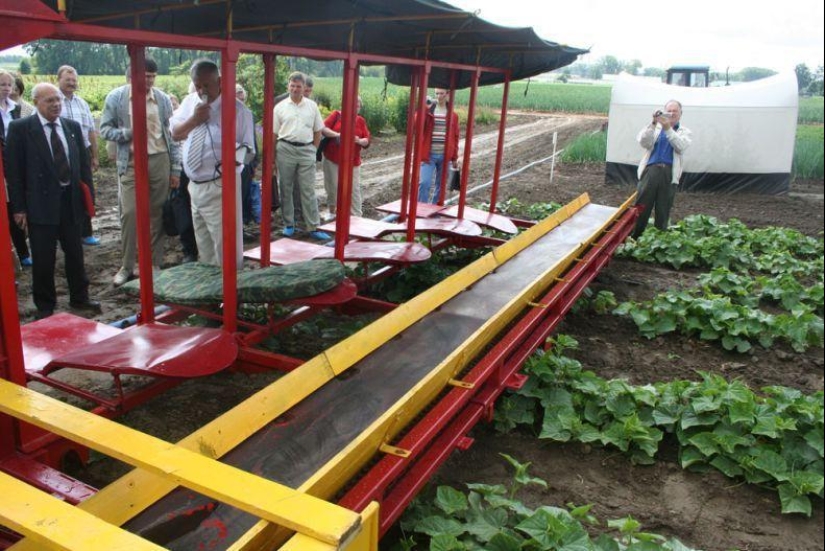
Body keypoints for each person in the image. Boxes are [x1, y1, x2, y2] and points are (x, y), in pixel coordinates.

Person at [6, 82, 101, 319]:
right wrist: (19, 208)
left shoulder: (71, 127)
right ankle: (45, 307)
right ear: (36, 102)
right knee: (44, 258)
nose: (56, 104)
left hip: (70, 201)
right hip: (40, 203)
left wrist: (88, 197)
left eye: (58, 100)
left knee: (75, 253)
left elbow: (82, 167)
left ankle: (80, 298)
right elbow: (14, 173)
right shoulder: (21, 129)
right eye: (49, 101)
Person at [100, 59, 181, 286]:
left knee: (157, 214)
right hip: (132, 162)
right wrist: (127, 133)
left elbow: (170, 135)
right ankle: (127, 266)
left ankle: (154, 264)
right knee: (130, 213)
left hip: (159, 159)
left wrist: (175, 168)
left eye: (152, 76)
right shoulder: (117, 98)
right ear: (131, 76)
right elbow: (105, 129)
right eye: (144, 75)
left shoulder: (162, 99)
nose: (148, 80)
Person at [170, 59, 255, 267]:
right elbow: (175, 134)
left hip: (220, 185)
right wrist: (194, 120)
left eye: (206, 85)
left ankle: (230, 291)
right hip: (194, 185)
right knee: (204, 245)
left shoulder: (238, 111)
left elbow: (249, 150)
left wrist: (232, 163)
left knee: (224, 246)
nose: (201, 91)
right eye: (197, 85)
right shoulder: (190, 102)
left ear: (220, 81)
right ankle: (211, 290)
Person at [272, 71, 329, 240]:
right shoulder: (280, 107)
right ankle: (289, 224)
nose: (295, 89)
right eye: (293, 85)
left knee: (308, 189)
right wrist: (272, 157)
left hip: (306, 150)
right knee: (286, 187)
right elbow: (274, 134)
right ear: (288, 86)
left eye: (299, 86)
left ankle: (313, 226)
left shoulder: (312, 106)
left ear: (304, 87)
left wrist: (313, 150)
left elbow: (318, 130)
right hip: (285, 149)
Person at [631, 100, 692, 239]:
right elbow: (644, 142)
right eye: (668, 111)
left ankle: (659, 241)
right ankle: (634, 237)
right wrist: (653, 123)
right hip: (651, 170)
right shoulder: (656, 128)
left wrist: (668, 128)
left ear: (680, 114)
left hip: (669, 173)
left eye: (674, 111)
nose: (671, 113)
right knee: (641, 206)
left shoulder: (685, 132)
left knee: (663, 209)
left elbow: (680, 146)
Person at [56, 65, 100, 245]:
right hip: (60, 153)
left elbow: (91, 131)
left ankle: (86, 232)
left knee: (86, 191)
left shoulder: (81, 103)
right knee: (63, 192)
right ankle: (62, 233)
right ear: (58, 80)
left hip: (82, 152)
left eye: (74, 80)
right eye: (68, 80)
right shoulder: (53, 101)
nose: (71, 83)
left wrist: (95, 155)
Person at [1, 69, 32, 267]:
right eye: (2, 85)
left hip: (14, 164)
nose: (6, 89)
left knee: (16, 205)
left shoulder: (16, 109)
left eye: (8, 85)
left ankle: (23, 252)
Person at [321, 97, 371, 218]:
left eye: (358, 104)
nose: (356, 106)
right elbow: (323, 128)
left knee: (354, 189)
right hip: (333, 159)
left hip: (353, 161)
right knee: (333, 186)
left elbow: (367, 140)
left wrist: (359, 140)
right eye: (354, 103)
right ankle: (332, 212)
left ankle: (356, 216)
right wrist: (337, 135)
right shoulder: (336, 115)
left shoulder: (360, 121)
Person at [417, 88, 459, 204]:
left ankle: (435, 211)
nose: (439, 96)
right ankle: (421, 210)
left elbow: (455, 137)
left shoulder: (453, 115)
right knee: (424, 183)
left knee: (440, 186)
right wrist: (424, 109)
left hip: (445, 156)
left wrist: (454, 157)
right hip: (428, 155)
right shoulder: (429, 111)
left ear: (447, 94)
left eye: (442, 93)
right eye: (437, 93)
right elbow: (417, 124)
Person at [235, 83, 260, 226]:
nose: (240, 97)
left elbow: (252, 142)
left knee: (244, 193)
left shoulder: (248, 113)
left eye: (241, 94)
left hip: (245, 161)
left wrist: (251, 163)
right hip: (231, 162)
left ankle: (243, 222)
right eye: (237, 94)